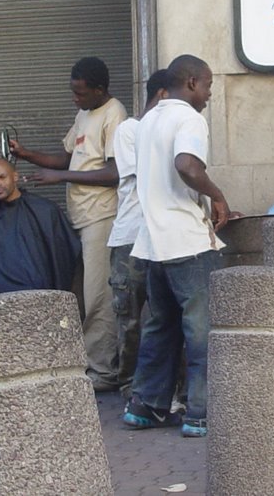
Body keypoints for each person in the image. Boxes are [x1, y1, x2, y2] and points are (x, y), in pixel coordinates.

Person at [122, 54, 231, 439]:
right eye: (208, 86)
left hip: (152, 243)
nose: (209, 95)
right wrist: (218, 197)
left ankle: (144, 406)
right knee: (202, 331)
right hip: (185, 241)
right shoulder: (188, 118)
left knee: (160, 327)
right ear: (190, 84)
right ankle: (199, 414)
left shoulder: (148, 119)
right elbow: (187, 165)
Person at [9, 56, 127, 391]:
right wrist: (28, 155)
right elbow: (68, 157)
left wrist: (58, 176)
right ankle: (88, 362)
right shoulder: (85, 113)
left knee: (98, 296)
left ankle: (102, 370)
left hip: (102, 216)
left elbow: (113, 173)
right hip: (80, 216)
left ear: (99, 89)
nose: (74, 98)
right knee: (78, 294)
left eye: (80, 93)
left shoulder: (114, 114)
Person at [107, 68, 171, 399]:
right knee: (130, 319)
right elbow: (147, 175)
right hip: (131, 237)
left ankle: (156, 386)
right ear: (162, 95)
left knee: (161, 317)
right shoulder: (130, 130)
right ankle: (129, 384)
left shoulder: (172, 132)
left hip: (162, 237)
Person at [0, 158, 80, 303]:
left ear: (15, 177)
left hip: (36, 288)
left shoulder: (43, 209)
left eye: (2, 177)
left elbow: (64, 254)